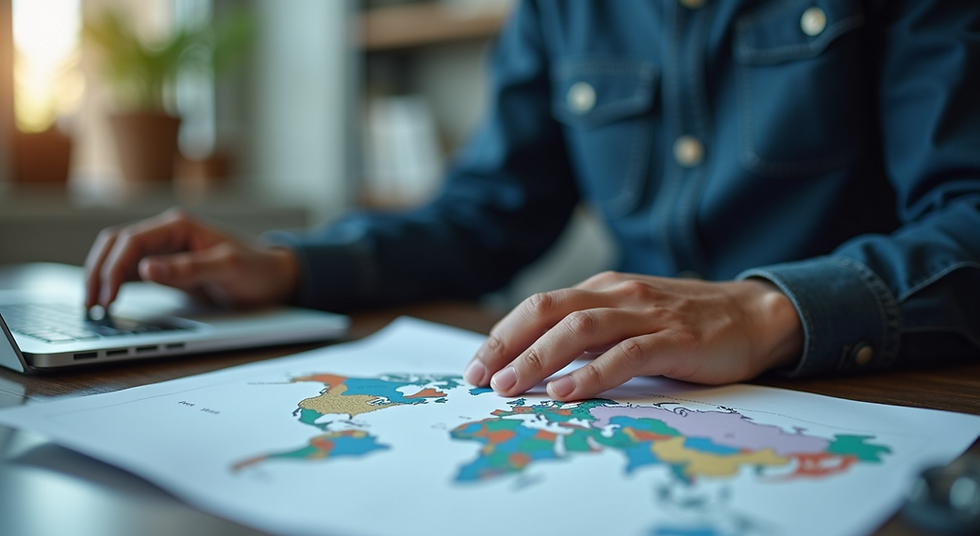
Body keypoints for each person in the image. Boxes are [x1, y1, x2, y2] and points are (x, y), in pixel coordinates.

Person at [84, 1, 980, 402]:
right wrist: (286, 263)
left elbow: (967, 212)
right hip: (640, 407)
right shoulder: (561, 8)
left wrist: (763, 306)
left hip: (884, 391)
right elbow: (486, 214)